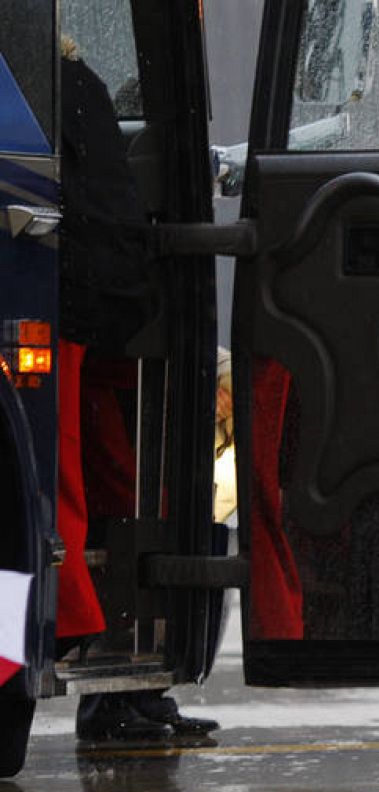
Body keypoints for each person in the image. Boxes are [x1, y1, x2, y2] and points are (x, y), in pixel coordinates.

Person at [58, 35, 218, 742]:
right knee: (110, 494)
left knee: (119, 494)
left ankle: (128, 682)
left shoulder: (55, 84)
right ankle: (107, 676)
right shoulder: (63, 82)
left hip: (88, 318)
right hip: (90, 317)